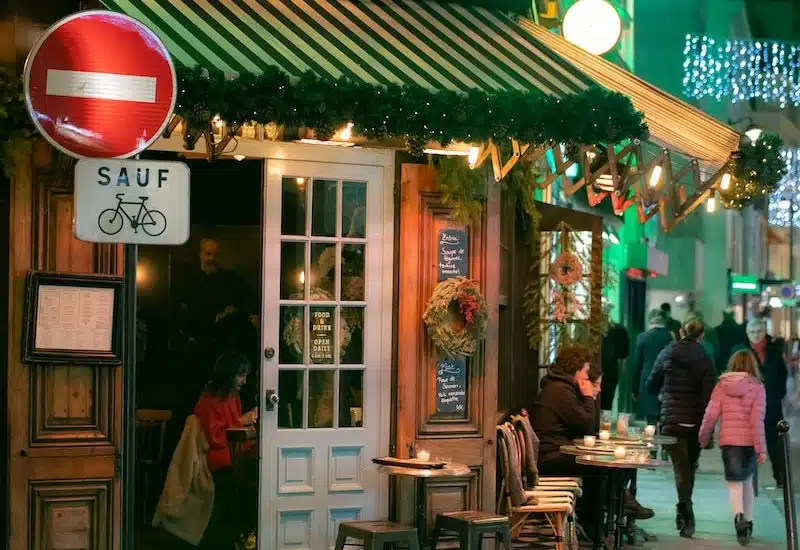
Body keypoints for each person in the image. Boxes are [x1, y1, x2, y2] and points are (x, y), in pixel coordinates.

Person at [532, 345, 651, 536]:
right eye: (586, 372)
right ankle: (602, 523)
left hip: (557, 452)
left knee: (612, 470)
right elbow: (587, 426)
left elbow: (589, 426)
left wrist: (590, 396)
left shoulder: (561, 388)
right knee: (605, 470)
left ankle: (610, 511)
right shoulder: (560, 391)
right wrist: (589, 396)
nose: (587, 378)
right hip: (551, 457)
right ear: (576, 370)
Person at [647, 318, 714, 538]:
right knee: (689, 466)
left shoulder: (667, 352)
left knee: (680, 467)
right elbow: (708, 397)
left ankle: (685, 509)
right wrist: (708, 427)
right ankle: (686, 510)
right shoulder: (704, 358)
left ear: (680, 331)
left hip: (672, 421)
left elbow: (652, 384)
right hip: (694, 422)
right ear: (701, 335)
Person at [698, 350, 766, 546]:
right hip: (749, 442)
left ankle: (738, 517)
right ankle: (750, 521)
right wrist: (761, 448)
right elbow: (757, 420)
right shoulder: (758, 388)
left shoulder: (721, 386)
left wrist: (703, 437)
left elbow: (710, 414)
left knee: (734, 482)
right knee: (748, 481)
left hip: (729, 442)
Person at [193, 352, 259, 548]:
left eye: (246, 375)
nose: (244, 381)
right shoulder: (209, 400)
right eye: (241, 375)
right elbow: (216, 438)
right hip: (218, 457)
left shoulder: (233, 397)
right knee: (253, 475)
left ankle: (247, 533)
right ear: (228, 375)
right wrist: (243, 421)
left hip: (234, 452)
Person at [740, 318, 788, 488]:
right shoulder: (742, 352)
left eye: (759, 332)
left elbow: (782, 373)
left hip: (772, 404)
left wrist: (779, 393)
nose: (756, 335)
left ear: (764, 332)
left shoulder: (774, 350)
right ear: (747, 334)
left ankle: (781, 478)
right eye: (752, 332)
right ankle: (747, 480)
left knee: (775, 444)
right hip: (750, 405)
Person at [632, 309, 674, 424]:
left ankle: (651, 437)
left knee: (650, 419)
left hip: (647, 380)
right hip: (666, 380)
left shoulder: (643, 337)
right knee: (664, 415)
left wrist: (635, 389)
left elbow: (637, 364)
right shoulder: (670, 337)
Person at [600, 321, 630, 411]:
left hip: (589, 370)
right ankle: (604, 422)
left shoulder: (587, 327)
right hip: (610, 370)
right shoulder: (619, 329)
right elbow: (623, 354)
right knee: (606, 404)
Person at [715, 310, 747, 376]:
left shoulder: (717, 330)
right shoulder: (740, 329)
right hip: (738, 360)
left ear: (724, 316)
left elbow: (716, 348)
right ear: (733, 316)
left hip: (723, 360)